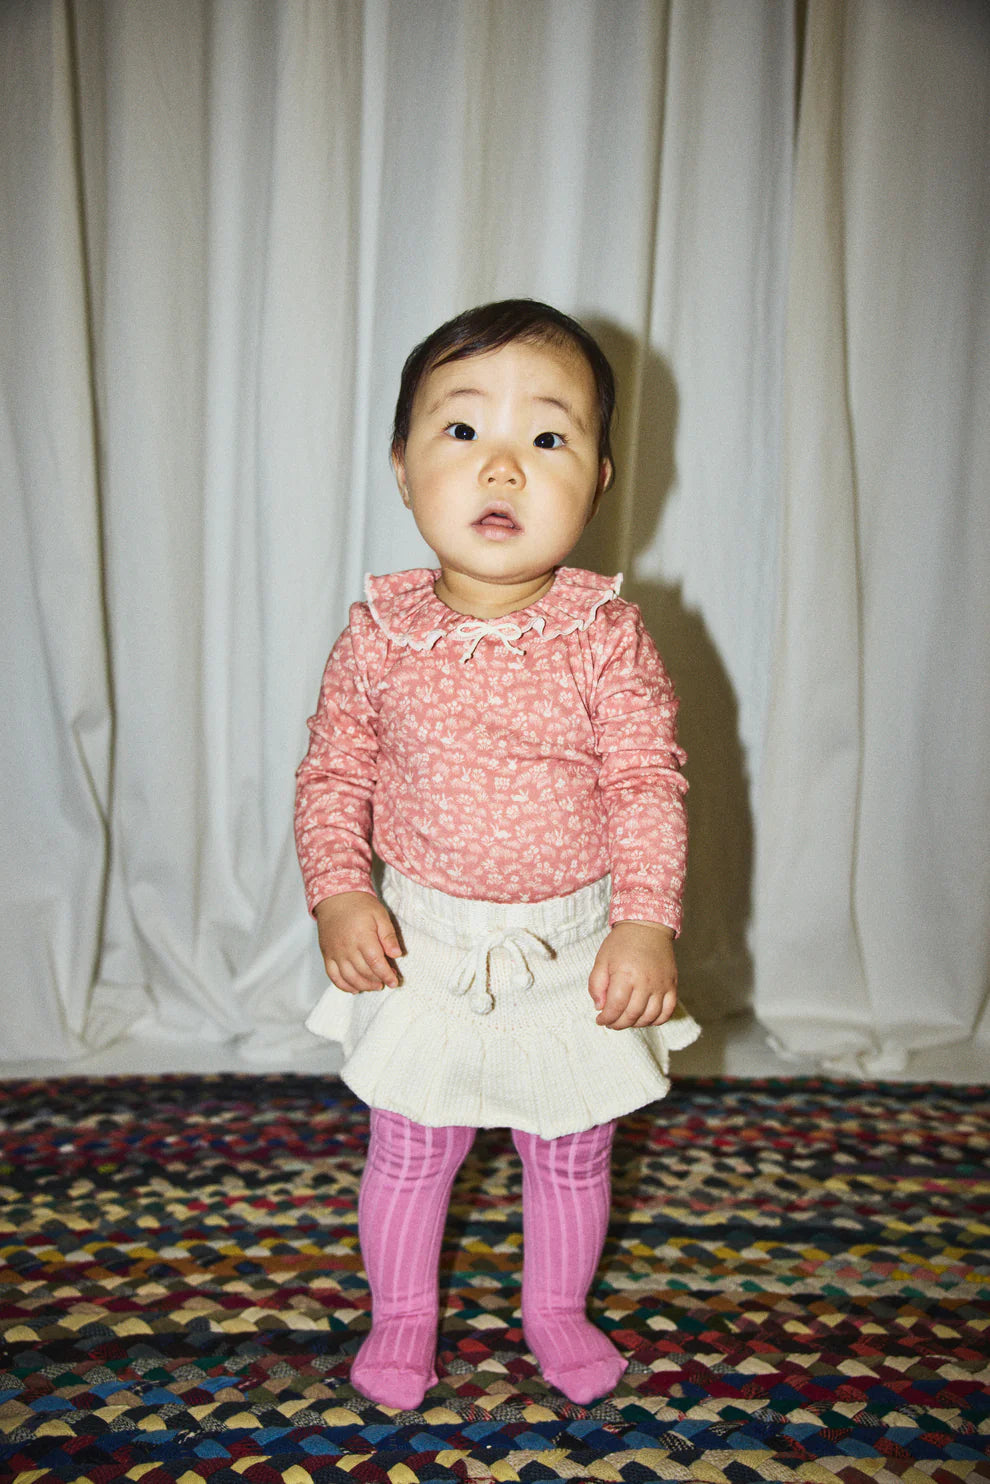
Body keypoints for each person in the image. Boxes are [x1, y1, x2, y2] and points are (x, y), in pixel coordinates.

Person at [294, 299, 700, 1412]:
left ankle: (555, 1310)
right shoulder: (378, 636)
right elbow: (332, 778)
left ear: (601, 480)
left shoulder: (606, 636)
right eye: (464, 430)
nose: (504, 467)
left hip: (574, 947)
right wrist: (339, 894)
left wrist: (644, 920)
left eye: (548, 437)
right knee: (413, 1145)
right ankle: (402, 1317)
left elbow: (646, 783)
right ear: (402, 466)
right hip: (424, 942)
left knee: (570, 1149)